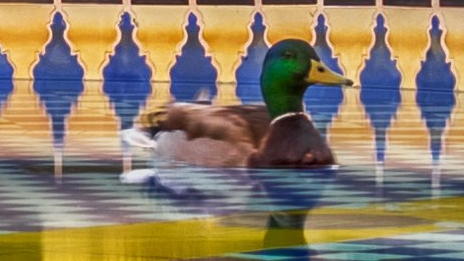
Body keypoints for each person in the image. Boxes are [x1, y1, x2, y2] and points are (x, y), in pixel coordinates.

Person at [123, 41, 335, 175]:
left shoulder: (293, 133)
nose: (316, 67)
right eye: (290, 57)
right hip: (171, 139)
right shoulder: (241, 150)